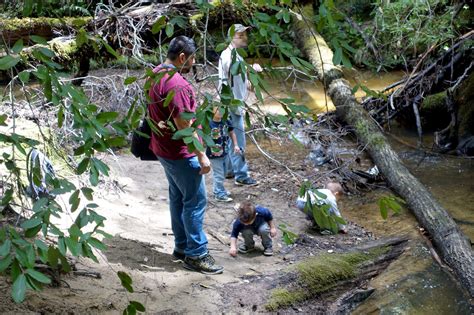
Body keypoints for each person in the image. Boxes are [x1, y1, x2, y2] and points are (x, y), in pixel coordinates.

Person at [148, 35, 223, 274]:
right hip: (180, 153)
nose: (193, 64)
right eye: (192, 60)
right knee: (195, 201)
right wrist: (201, 155)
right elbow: (184, 126)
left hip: (163, 149)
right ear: (182, 57)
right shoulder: (176, 84)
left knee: (178, 197)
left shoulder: (156, 73)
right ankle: (197, 254)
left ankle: (182, 247)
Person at [218, 24, 262, 186]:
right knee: (239, 141)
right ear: (232, 37)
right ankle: (242, 176)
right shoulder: (228, 55)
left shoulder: (235, 55)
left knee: (231, 139)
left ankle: (229, 170)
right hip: (232, 105)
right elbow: (231, 69)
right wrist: (251, 69)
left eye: (245, 34)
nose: (245, 38)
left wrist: (251, 81)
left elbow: (239, 81)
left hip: (232, 104)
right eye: (240, 35)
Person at [206, 107, 241, 202]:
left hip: (225, 152)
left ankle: (219, 189)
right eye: (217, 110)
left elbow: (232, 133)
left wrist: (236, 145)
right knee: (219, 174)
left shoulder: (226, 122)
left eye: (222, 110)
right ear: (212, 111)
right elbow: (201, 137)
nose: (220, 112)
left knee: (225, 172)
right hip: (214, 154)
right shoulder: (208, 123)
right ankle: (219, 194)